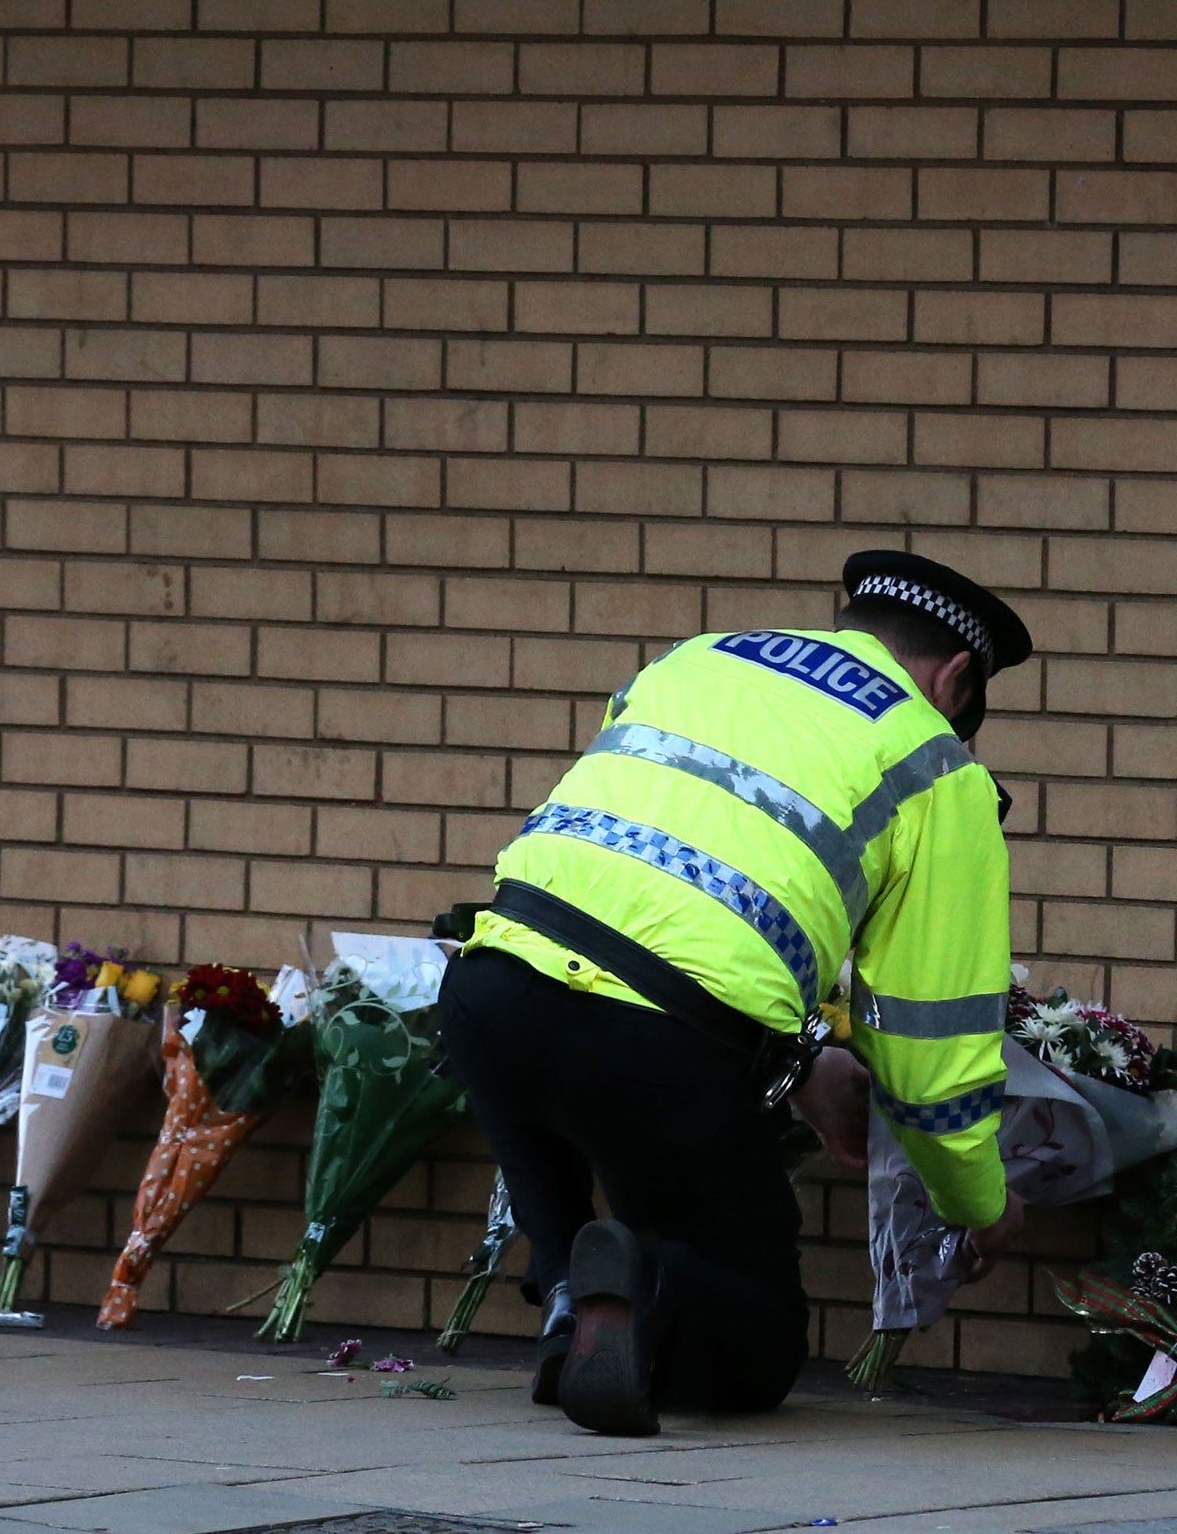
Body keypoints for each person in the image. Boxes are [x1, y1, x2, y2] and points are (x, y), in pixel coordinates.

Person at [437, 551, 1031, 1436]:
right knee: (753, 1344)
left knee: (560, 1134)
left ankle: (574, 1303)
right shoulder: (936, 766)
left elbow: (670, 905)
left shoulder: (698, 659)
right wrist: (978, 1203)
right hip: (657, 1050)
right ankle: (642, 1292)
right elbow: (930, 1043)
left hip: (490, 988)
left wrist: (803, 1067)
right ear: (955, 679)